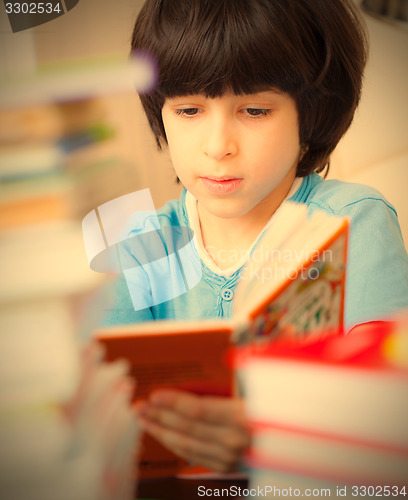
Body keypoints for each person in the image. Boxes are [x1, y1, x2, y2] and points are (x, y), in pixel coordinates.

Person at [102, 0, 408, 472]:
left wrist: (268, 435)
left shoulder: (353, 221)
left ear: (311, 114)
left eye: (255, 110)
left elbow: (390, 400)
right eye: (188, 110)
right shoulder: (143, 244)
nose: (218, 145)